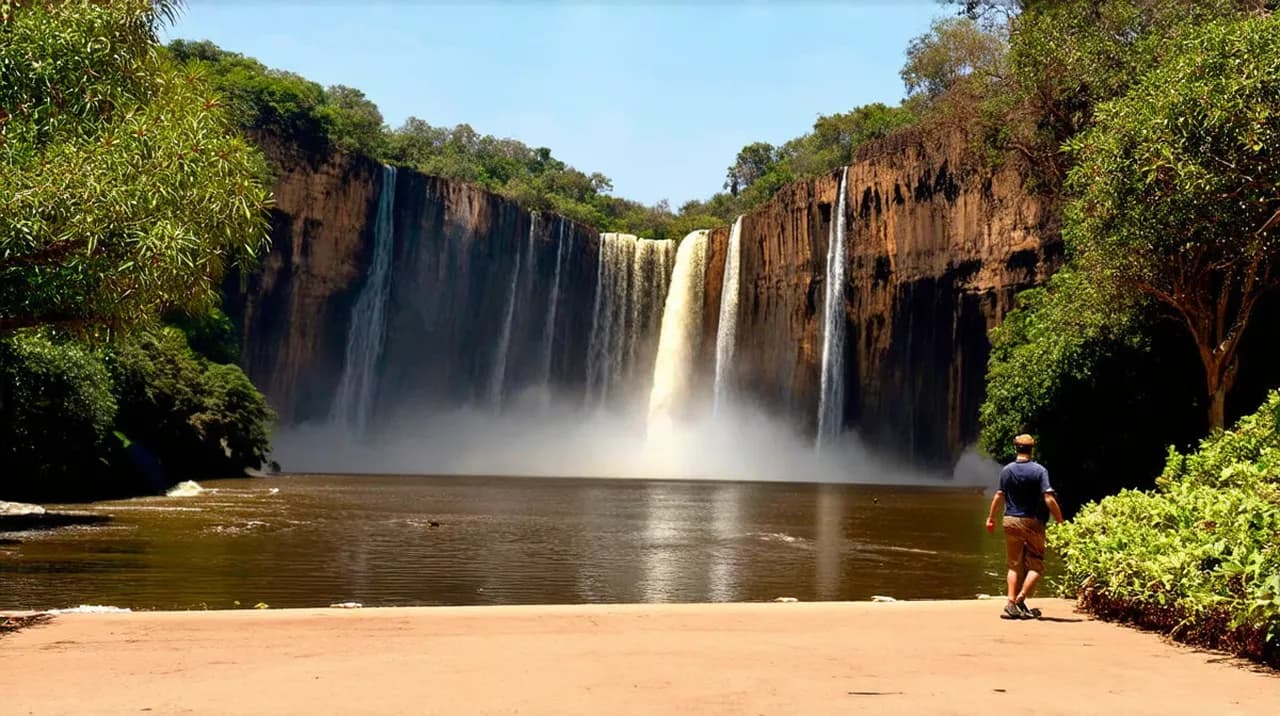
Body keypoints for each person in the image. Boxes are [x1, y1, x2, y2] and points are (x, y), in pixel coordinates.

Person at [984, 434, 1064, 620]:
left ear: (1016, 449)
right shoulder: (1039, 471)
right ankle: (1021, 599)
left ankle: (1011, 603)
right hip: (1033, 522)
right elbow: (1049, 498)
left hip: (1010, 520)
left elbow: (998, 495)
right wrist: (1059, 520)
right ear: (1031, 449)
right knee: (1036, 565)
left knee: (1013, 566)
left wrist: (990, 518)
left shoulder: (1007, 470)